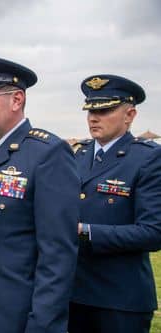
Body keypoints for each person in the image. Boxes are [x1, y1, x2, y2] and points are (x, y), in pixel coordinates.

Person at [0, 56, 80, 333]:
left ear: (17, 100)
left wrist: (42, 325)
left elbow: (57, 255)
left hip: (15, 315)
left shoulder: (47, 153)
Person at [68, 75, 161, 333]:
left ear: (130, 115)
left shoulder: (148, 160)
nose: (93, 118)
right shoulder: (79, 154)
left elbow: (154, 232)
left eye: (104, 110)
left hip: (119, 301)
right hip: (73, 293)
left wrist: (86, 231)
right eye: (90, 111)